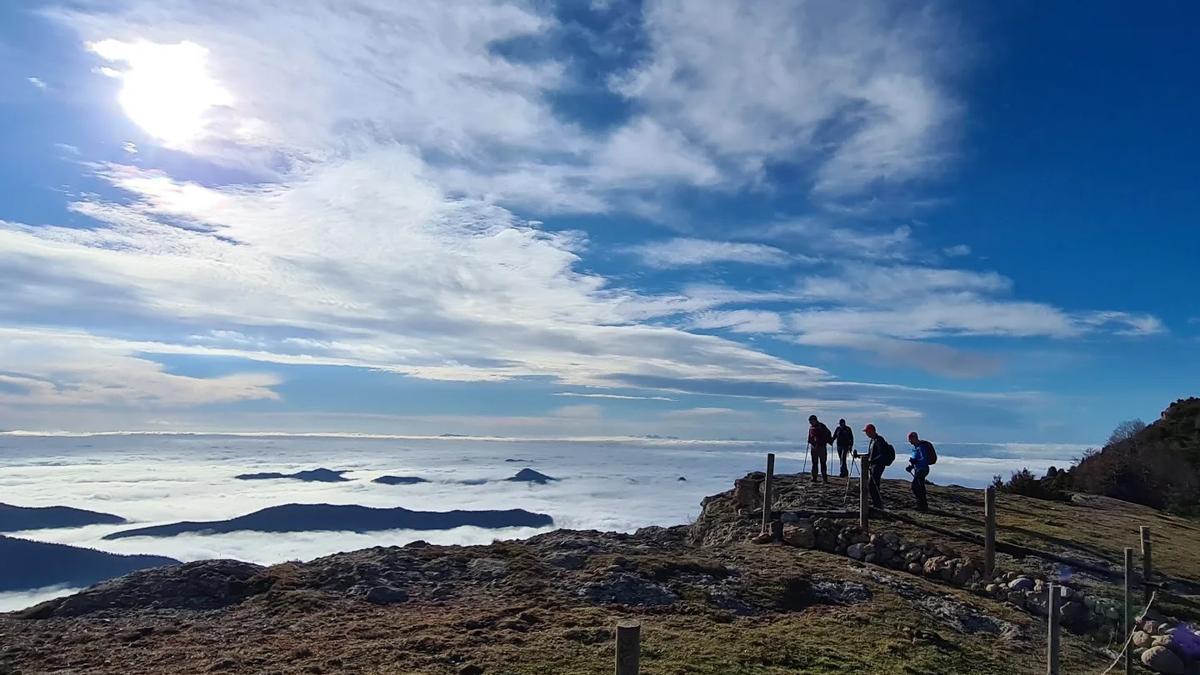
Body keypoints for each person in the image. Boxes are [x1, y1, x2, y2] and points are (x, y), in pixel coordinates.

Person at [857, 424, 892, 510]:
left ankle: (878, 505)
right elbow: (870, 455)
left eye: (867, 431)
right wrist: (859, 456)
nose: (866, 434)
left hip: (878, 465)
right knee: (873, 485)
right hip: (874, 465)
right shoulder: (873, 440)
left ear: (871, 431)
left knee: (873, 485)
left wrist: (871, 461)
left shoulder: (879, 440)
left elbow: (881, 454)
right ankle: (877, 504)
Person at [906, 431, 933, 512]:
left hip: (922, 469)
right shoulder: (915, 447)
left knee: (916, 486)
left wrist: (915, 462)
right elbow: (917, 459)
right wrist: (911, 466)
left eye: (910, 439)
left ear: (914, 438)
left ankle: (922, 506)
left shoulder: (921, 447)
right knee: (919, 487)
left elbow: (924, 459)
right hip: (919, 469)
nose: (909, 441)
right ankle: (922, 506)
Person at [807, 415, 832, 483]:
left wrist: (824, 441)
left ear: (815, 420)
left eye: (811, 421)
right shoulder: (811, 427)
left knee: (822, 463)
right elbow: (810, 436)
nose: (810, 423)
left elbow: (828, 434)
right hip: (814, 447)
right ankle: (814, 477)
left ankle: (824, 479)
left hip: (821, 447)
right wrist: (810, 441)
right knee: (814, 463)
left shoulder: (822, 426)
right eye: (810, 421)